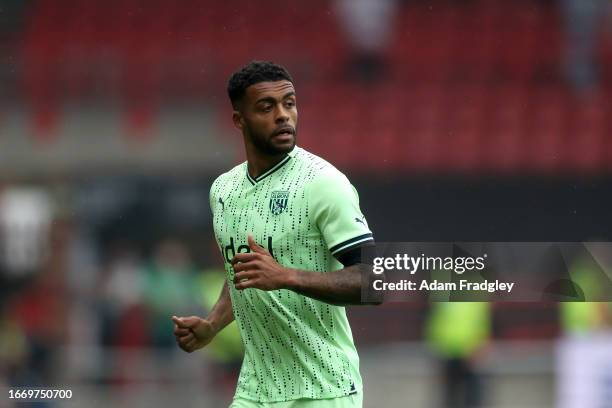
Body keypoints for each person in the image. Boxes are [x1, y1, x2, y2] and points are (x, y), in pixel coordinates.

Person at [172, 61, 377, 408]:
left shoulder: (323, 184)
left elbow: (373, 280)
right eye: (267, 107)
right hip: (255, 391)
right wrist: (212, 324)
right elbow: (241, 270)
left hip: (323, 390)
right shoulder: (223, 190)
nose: (283, 115)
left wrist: (287, 276)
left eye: (290, 103)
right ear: (239, 120)